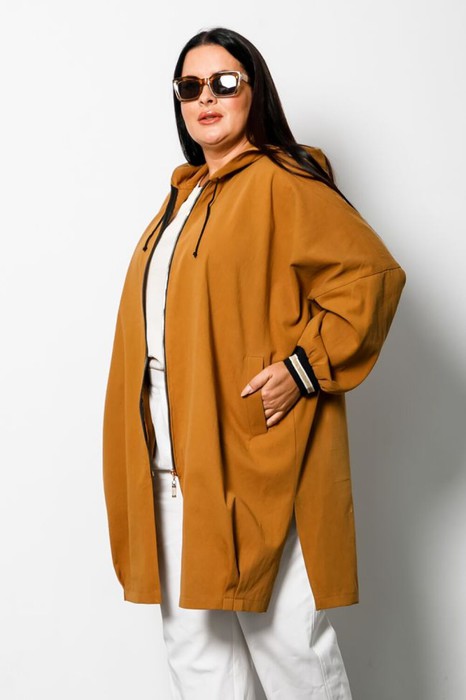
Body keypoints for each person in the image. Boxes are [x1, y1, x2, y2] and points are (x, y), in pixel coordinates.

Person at [102, 26, 406, 700]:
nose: (206, 98)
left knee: (290, 651)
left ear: (254, 90)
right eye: (191, 87)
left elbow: (371, 280)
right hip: (172, 468)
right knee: (200, 659)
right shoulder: (182, 199)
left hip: (250, 462)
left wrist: (302, 369)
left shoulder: (282, 181)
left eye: (224, 82)